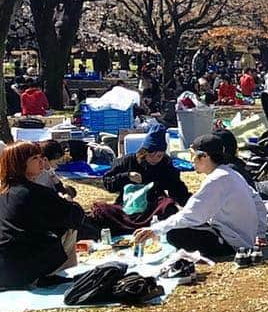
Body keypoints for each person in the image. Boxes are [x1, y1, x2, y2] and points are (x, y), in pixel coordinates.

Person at [133, 133, 267, 260]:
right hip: (243, 237)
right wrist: (259, 233)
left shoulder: (216, 179)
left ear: (205, 156)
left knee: (174, 234)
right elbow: (258, 203)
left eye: (193, 155)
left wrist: (155, 230)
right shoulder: (231, 173)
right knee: (176, 222)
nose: (191, 161)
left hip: (231, 243)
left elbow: (192, 215)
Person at [0, 142, 84, 290]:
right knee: (71, 227)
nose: (41, 162)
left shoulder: (4, 193)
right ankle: (61, 272)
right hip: (24, 271)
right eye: (35, 158)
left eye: (41, 157)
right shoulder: (34, 193)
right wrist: (69, 202)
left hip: (4, 270)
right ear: (19, 163)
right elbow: (77, 217)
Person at [92, 123, 191, 233]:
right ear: (144, 152)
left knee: (169, 207)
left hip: (153, 206)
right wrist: (127, 176)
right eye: (151, 154)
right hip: (128, 205)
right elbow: (108, 183)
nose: (155, 159)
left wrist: (190, 205)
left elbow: (176, 187)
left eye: (159, 155)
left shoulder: (165, 164)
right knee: (101, 211)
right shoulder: (128, 161)